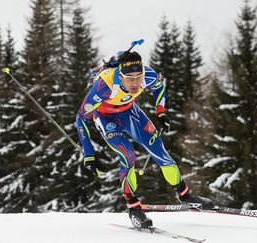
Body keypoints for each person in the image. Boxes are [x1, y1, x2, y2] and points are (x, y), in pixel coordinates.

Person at [75, 51, 213, 228]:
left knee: (160, 151)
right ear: (120, 75)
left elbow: (159, 87)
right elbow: (81, 118)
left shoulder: (148, 75)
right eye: (129, 78)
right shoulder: (105, 85)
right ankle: (133, 208)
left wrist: (161, 112)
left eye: (138, 77)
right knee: (128, 155)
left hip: (130, 112)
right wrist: (89, 153)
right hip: (105, 117)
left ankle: (186, 196)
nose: (135, 83)